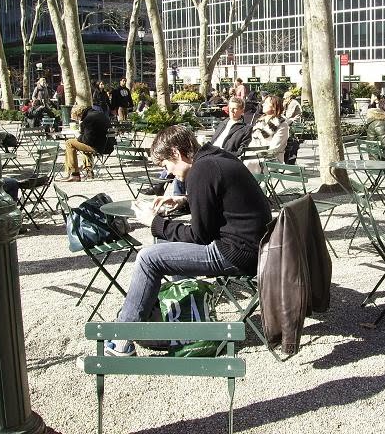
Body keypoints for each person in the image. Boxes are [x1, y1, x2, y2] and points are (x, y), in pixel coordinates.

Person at [105, 125, 272, 356]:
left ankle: (122, 339)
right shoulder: (214, 157)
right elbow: (216, 201)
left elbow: (200, 236)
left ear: (176, 152)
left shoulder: (202, 170)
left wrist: (154, 222)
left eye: (166, 165)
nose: (168, 173)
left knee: (147, 258)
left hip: (237, 253)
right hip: (253, 246)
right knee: (163, 244)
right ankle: (186, 320)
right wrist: (183, 200)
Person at [60, 105, 110, 182]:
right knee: (80, 144)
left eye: (76, 119)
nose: (77, 120)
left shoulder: (88, 119)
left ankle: (74, 174)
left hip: (98, 147)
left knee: (69, 143)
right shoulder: (99, 113)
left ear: (78, 115)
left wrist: (79, 137)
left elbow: (87, 140)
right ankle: (89, 171)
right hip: (108, 145)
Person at [246, 95, 289, 174]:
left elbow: (275, 148)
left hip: (272, 160)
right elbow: (253, 142)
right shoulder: (260, 121)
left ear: (274, 107)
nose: (263, 104)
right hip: (255, 155)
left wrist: (256, 155)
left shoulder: (282, 124)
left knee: (247, 164)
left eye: (266, 103)